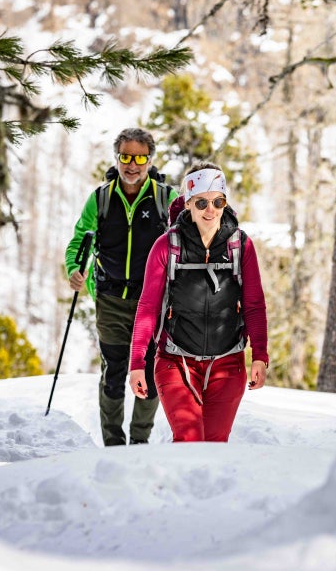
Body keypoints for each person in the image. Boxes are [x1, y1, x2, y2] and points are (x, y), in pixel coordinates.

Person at [128, 162, 268, 442]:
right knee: (189, 439)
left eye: (218, 201)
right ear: (188, 203)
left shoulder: (240, 246)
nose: (210, 210)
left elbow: (254, 304)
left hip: (228, 363)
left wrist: (260, 356)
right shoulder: (167, 246)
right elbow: (148, 308)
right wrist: (136, 363)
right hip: (176, 361)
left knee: (215, 444)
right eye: (202, 202)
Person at [65, 128, 178, 446]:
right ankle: (114, 444)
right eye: (126, 157)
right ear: (117, 158)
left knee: (150, 369)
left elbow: (185, 242)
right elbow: (80, 239)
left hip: (153, 302)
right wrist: (75, 269)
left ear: (150, 160)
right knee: (113, 371)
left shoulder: (166, 199)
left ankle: (139, 440)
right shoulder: (101, 198)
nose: (132, 165)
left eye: (140, 158)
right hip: (111, 298)